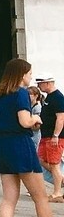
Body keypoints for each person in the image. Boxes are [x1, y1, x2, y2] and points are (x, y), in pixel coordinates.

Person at [0, 58, 64, 217]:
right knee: (40, 198)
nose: (30, 77)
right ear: (21, 75)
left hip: (2, 146)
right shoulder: (20, 93)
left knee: (9, 198)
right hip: (20, 146)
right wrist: (35, 119)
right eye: (29, 74)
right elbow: (24, 121)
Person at [36, 73, 64, 202]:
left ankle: (57, 192)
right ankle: (61, 179)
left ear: (48, 83)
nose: (38, 86)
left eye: (40, 83)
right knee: (41, 159)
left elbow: (61, 117)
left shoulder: (58, 98)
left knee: (54, 164)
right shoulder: (49, 98)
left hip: (54, 137)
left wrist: (56, 135)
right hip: (46, 135)